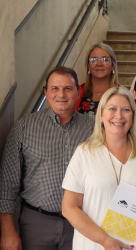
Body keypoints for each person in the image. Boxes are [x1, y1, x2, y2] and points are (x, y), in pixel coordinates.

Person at [0, 66, 95, 250]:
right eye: (54, 88)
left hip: (81, 224)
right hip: (36, 225)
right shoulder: (24, 128)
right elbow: (7, 185)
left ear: (78, 92)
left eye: (68, 88)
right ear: (45, 92)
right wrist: (8, 231)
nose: (61, 94)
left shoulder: (94, 130)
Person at [62, 87, 136, 250]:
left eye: (126, 110)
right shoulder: (84, 153)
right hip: (94, 246)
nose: (119, 116)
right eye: (112, 109)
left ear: (133, 116)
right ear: (101, 115)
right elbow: (69, 208)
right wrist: (105, 241)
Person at [76, 43, 119, 119]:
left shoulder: (123, 94)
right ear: (88, 66)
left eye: (105, 59)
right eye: (94, 60)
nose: (99, 64)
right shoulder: (76, 92)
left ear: (113, 65)